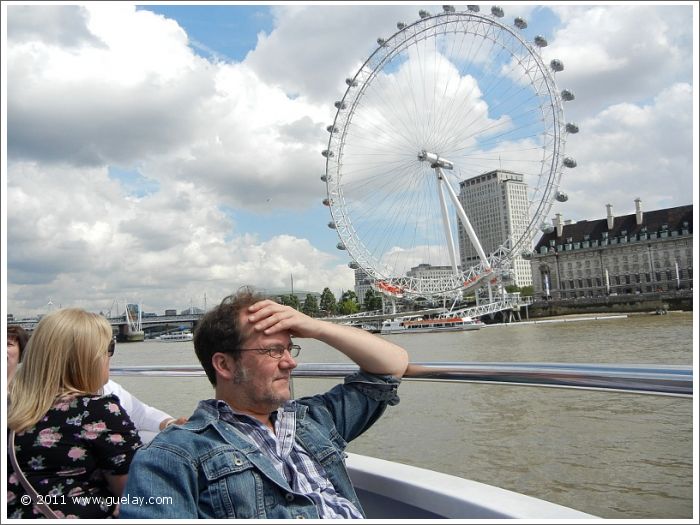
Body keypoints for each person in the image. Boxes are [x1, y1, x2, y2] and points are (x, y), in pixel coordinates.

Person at [121, 289, 409, 519]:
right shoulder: (172, 456)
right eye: (273, 350)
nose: (291, 362)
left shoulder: (314, 420)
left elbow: (391, 365)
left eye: (289, 348)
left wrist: (315, 327)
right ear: (224, 364)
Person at [7, 308, 142, 519]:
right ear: (86, 359)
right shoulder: (99, 412)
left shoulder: (10, 408)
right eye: (109, 347)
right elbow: (135, 492)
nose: (110, 355)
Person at [103, 380, 188, 444]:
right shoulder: (102, 396)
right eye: (108, 355)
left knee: (177, 441)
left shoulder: (108, 387)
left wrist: (170, 424)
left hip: (123, 447)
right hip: (111, 458)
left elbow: (139, 414)